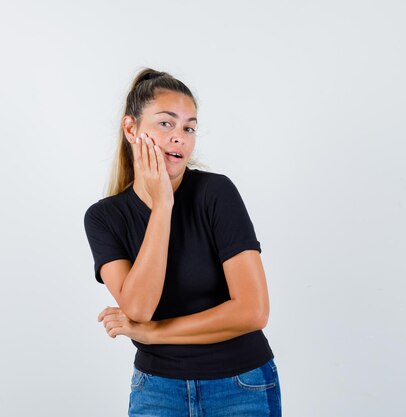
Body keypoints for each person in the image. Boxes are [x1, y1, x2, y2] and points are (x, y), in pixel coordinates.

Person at [83, 67, 282, 417]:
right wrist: (162, 206)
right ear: (131, 129)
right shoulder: (104, 218)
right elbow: (139, 309)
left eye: (189, 128)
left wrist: (153, 334)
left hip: (241, 385)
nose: (180, 137)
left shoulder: (216, 193)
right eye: (166, 123)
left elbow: (253, 311)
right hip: (158, 390)